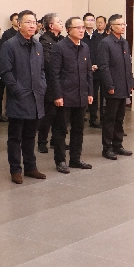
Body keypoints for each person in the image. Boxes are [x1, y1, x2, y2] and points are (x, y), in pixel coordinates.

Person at [0, 10, 46, 184]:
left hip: (35, 97)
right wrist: (17, 90)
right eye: (28, 22)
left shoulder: (38, 45)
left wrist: (42, 85)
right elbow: (5, 72)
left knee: (30, 135)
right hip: (19, 97)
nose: (32, 25)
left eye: (34, 22)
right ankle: (15, 170)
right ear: (19, 25)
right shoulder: (10, 45)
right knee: (15, 137)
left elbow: (42, 70)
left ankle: (30, 167)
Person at [49, 17, 93, 173]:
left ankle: (75, 159)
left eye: (82, 27)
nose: (81, 30)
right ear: (68, 30)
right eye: (77, 27)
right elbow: (54, 74)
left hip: (81, 95)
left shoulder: (85, 47)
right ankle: (60, 160)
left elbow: (88, 72)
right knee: (61, 130)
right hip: (65, 96)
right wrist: (57, 95)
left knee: (78, 129)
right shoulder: (59, 47)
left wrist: (90, 92)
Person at [97, 14, 134, 160]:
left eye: (124, 24)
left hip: (124, 86)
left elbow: (128, 64)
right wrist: (109, 85)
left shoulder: (124, 42)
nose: (123, 27)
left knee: (120, 118)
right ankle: (107, 148)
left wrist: (130, 82)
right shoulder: (105, 43)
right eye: (120, 24)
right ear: (112, 27)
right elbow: (104, 66)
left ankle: (118, 145)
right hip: (112, 86)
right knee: (110, 119)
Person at [37, 13, 64, 153]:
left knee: (61, 115)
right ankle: (42, 141)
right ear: (51, 26)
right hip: (49, 82)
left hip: (62, 81)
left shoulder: (62, 39)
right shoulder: (44, 41)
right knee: (48, 114)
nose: (62, 24)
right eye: (59, 22)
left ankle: (56, 140)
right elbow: (48, 62)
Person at [82, 12, 103, 128]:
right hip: (83, 70)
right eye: (88, 20)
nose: (90, 22)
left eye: (92, 20)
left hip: (96, 71)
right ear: (83, 22)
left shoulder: (99, 37)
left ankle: (93, 119)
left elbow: (101, 54)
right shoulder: (81, 36)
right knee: (83, 94)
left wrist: (97, 65)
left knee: (94, 95)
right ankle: (81, 116)